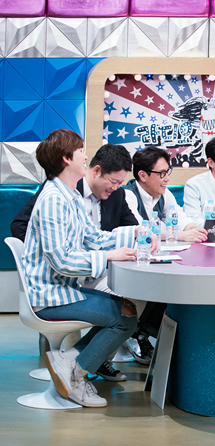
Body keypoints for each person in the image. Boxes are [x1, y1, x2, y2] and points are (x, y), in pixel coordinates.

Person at [23, 129, 154, 407]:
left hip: (63, 290)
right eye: (80, 151)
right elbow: (61, 260)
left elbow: (93, 238)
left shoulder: (69, 196)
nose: (85, 156)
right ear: (66, 158)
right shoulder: (53, 199)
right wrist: (108, 256)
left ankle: (70, 363)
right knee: (124, 319)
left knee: (127, 311)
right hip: (49, 296)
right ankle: (78, 375)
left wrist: (133, 234)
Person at [124, 146, 207, 242]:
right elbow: (141, 229)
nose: (167, 178)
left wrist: (195, 229)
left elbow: (180, 218)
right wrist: (181, 235)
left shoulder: (163, 192)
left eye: (167, 172)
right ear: (143, 176)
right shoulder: (127, 195)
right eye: (162, 173)